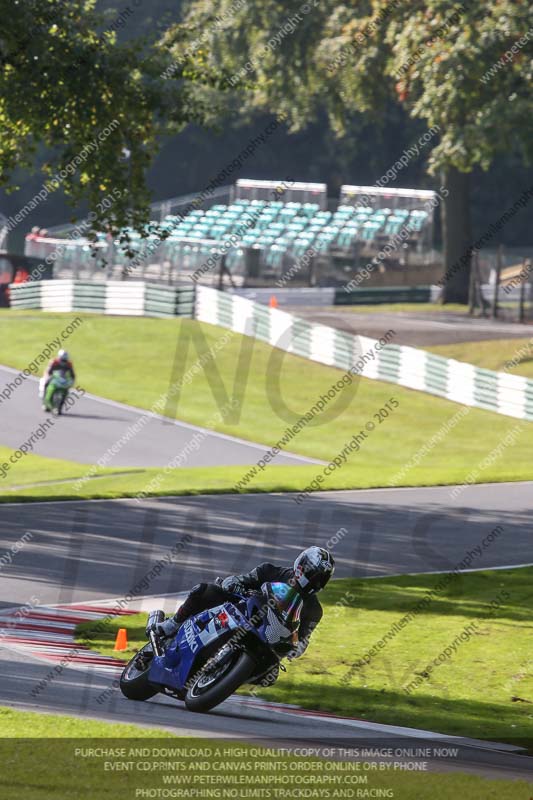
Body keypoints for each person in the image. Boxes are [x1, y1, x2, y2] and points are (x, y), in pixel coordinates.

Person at [151, 547, 335, 664]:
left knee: (270, 675)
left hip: (266, 641)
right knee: (204, 590)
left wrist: (297, 648)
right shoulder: (270, 571)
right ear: (301, 565)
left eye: (320, 578)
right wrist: (234, 584)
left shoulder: (314, 610)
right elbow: (239, 580)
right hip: (239, 612)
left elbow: (303, 639)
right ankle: (172, 624)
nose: (314, 581)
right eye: (312, 573)